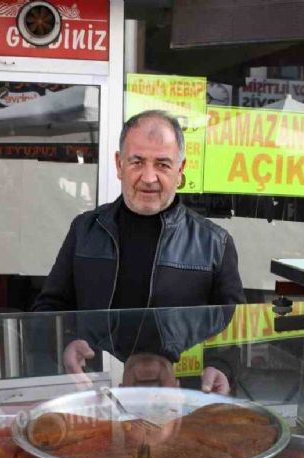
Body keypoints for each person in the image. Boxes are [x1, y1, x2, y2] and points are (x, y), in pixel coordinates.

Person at [32, 110, 245, 393]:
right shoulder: (84, 230)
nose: (148, 177)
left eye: (162, 164)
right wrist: (66, 343)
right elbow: (49, 308)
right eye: (137, 162)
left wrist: (222, 365)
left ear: (181, 170)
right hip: (100, 389)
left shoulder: (214, 243)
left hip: (186, 395)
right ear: (119, 164)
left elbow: (235, 324)